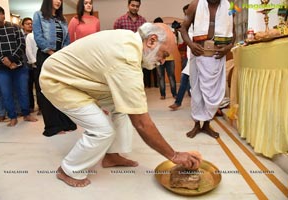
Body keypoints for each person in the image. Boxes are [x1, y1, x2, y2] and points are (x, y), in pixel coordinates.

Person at [39, 22, 202, 187]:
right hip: (57, 80)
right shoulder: (126, 59)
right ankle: (68, 169)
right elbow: (142, 123)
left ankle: (112, 155)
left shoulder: (129, 40)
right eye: (164, 54)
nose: (162, 61)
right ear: (151, 41)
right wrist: (174, 155)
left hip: (81, 79)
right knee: (102, 130)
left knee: (122, 109)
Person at [179, 0, 235, 138]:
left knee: (213, 93)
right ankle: (197, 125)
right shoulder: (195, 5)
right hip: (198, 54)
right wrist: (191, 45)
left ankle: (207, 125)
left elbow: (233, 33)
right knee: (197, 92)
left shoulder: (230, 6)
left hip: (217, 56)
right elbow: (182, 28)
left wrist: (227, 48)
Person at [0, 4, 37, 126]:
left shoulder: (15, 27)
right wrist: (4, 61)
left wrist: (11, 60)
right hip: (0, 68)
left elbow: (21, 44)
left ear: (3, 14)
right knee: (6, 93)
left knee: (23, 91)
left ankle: (26, 114)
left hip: (19, 66)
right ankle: (12, 117)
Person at [33, 0, 77, 136]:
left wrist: (61, 54)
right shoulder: (39, 15)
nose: (58, 1)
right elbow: (38, 36)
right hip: (45, 55)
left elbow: (67, 39)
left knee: (61, 90)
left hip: (59, 57)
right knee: (46, 91)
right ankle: (53, 126)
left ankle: (64, 122)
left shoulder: (62, 18)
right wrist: (51, 52)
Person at [169, 4, 192, 110]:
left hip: (200, 57)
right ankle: (178, 102)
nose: (187, 15)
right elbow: (182, 42)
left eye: (189, 12)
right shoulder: (186, 25)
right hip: (190, 58)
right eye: (185, 14)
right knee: (184, 79)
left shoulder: (200, 24)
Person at [153, 17, 177, 100]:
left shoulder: (168, 32)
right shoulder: (153, 35)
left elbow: (174, 42)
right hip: (158, 59)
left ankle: (174, 94)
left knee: (171, 76)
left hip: (169, 58)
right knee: (161, 77)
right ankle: (163, 94)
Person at [21, 17, 36, 113]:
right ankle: (30, 107)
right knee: (27, 87)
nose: (30, 25)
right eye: (27, 23)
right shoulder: (21, 37)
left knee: (39, 87)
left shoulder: (36, 35)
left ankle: (42, 108)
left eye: (31, 23)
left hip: (35, 65)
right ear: (22, 26)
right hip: (25, 65)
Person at [25, 30, 41, 115]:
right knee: (38, 88)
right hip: (36, 65)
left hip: (47, 64)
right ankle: (40, 107)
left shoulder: (45, 34)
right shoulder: (30, 36)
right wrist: (34, 62)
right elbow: (29, 50)